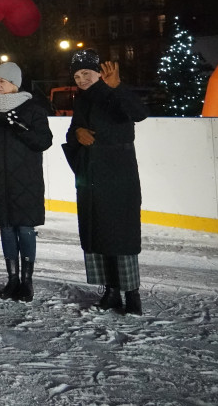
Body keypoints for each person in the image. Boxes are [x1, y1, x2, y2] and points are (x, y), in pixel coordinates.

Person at [64, 49, 149, 315]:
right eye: (77, 75)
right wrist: (77, 133)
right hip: (91, 179)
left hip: (119, 178)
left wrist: (118, 88)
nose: (81, 79)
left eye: (86, 73)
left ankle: (132, 295)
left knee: (121, 236)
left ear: (99, 72)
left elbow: (139, 113)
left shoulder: (113, 92)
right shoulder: (81, 101)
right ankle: (111, 291)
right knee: (97, 233)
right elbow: (72, 130)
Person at [0, 62, 52, 302]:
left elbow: (44, 142)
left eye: (2, 81)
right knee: (5, 227)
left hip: (26, 179)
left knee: (25, 228)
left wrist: (22, 128)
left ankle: (27, 282)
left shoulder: (33, 108)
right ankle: (12, 279)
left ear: (14, 84)